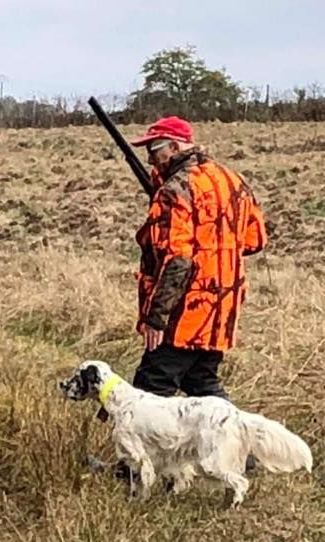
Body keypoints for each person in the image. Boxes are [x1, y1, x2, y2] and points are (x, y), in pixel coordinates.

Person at [113, 115, 268, 486]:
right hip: (224, 309)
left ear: (177, 146)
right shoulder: (233, 181)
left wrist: (156, 317)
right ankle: (243, 455)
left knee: (151, 388)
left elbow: (178, 258)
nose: (151, 159)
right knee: (202, 380)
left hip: (184, 311)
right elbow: (255, 239)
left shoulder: (175, 190)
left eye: (155, 149)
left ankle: (132, 472)